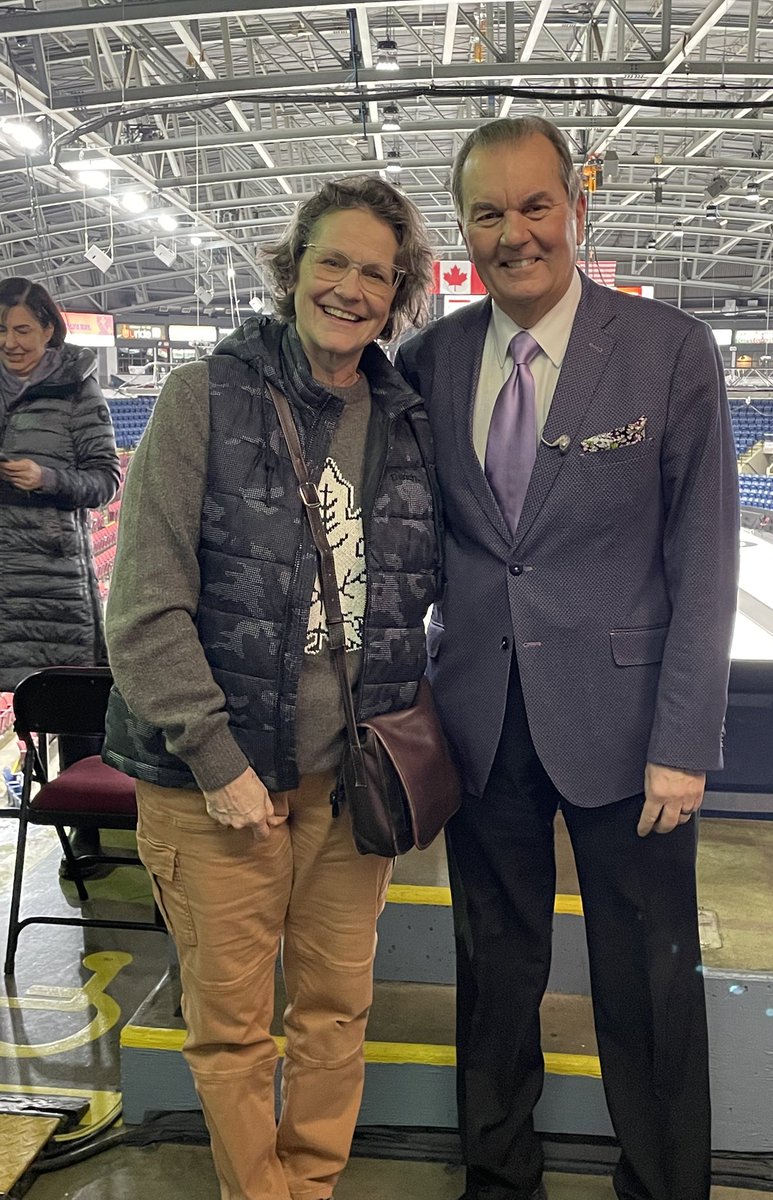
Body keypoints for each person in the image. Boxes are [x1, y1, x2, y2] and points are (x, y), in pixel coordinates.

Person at [397, 117, 739, 1200]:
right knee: (494, 980)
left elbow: (706, 558)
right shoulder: (429, 363)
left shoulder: (667, 350)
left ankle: (665, 1184)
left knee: (650, 986)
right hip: (483, 724)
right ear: (464, 230)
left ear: (577, 210)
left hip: (631, 733)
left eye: (534, 205)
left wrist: (684, 741)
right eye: (487, 213)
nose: (514, 233)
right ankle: (499, 1183)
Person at [102, 177, 438, 1200]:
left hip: (348, 786)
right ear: (290, 271)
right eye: (330, 262)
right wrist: (218, 759)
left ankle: (314, 1185)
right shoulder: (203, 397)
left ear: (399, 294)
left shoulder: (407, 422)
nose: (350, 288)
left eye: (375, 272)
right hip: (220, 786)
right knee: (235, 1033)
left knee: (336, 1015)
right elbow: (146, 607)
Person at [0, 277, 120, 871]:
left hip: (51, 582)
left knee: (73, 706)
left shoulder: (78, 391)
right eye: (1, 330)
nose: (10, 341)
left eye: (22, 328)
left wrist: (45, 479)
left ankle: (87, 836)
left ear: (49, 329)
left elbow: (105, 481)